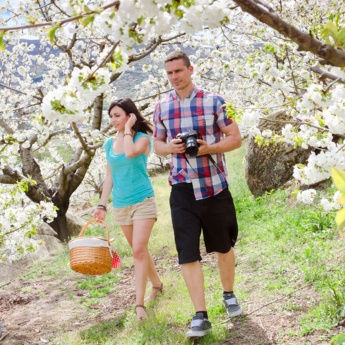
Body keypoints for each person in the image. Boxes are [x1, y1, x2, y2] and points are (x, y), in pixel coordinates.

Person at [153, 50, 242, 338]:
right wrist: (170, 148)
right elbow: (157, 143)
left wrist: (209, 147)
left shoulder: (215, 101)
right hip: (181, 188)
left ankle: (228, 293)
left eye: (179, 71)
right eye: (169, 72)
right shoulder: (161, 106)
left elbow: (235, 138)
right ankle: (200, 315)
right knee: (187, 253)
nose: (174, 77)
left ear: (191, 69)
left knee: (224, 246)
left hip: (214, 185)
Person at [93, 98, 163, 322]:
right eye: (111, 116)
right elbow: (110, 176)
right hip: (121, 205)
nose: (113, 120)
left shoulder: (142, 139)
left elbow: (131, 153)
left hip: (143, 200)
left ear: (130, 116)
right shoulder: (108, 144)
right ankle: (158, 284)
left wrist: (128, 131)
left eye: (118, 115)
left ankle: (139, 304)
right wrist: (102, 205)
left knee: (138, 250)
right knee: (139, 249)